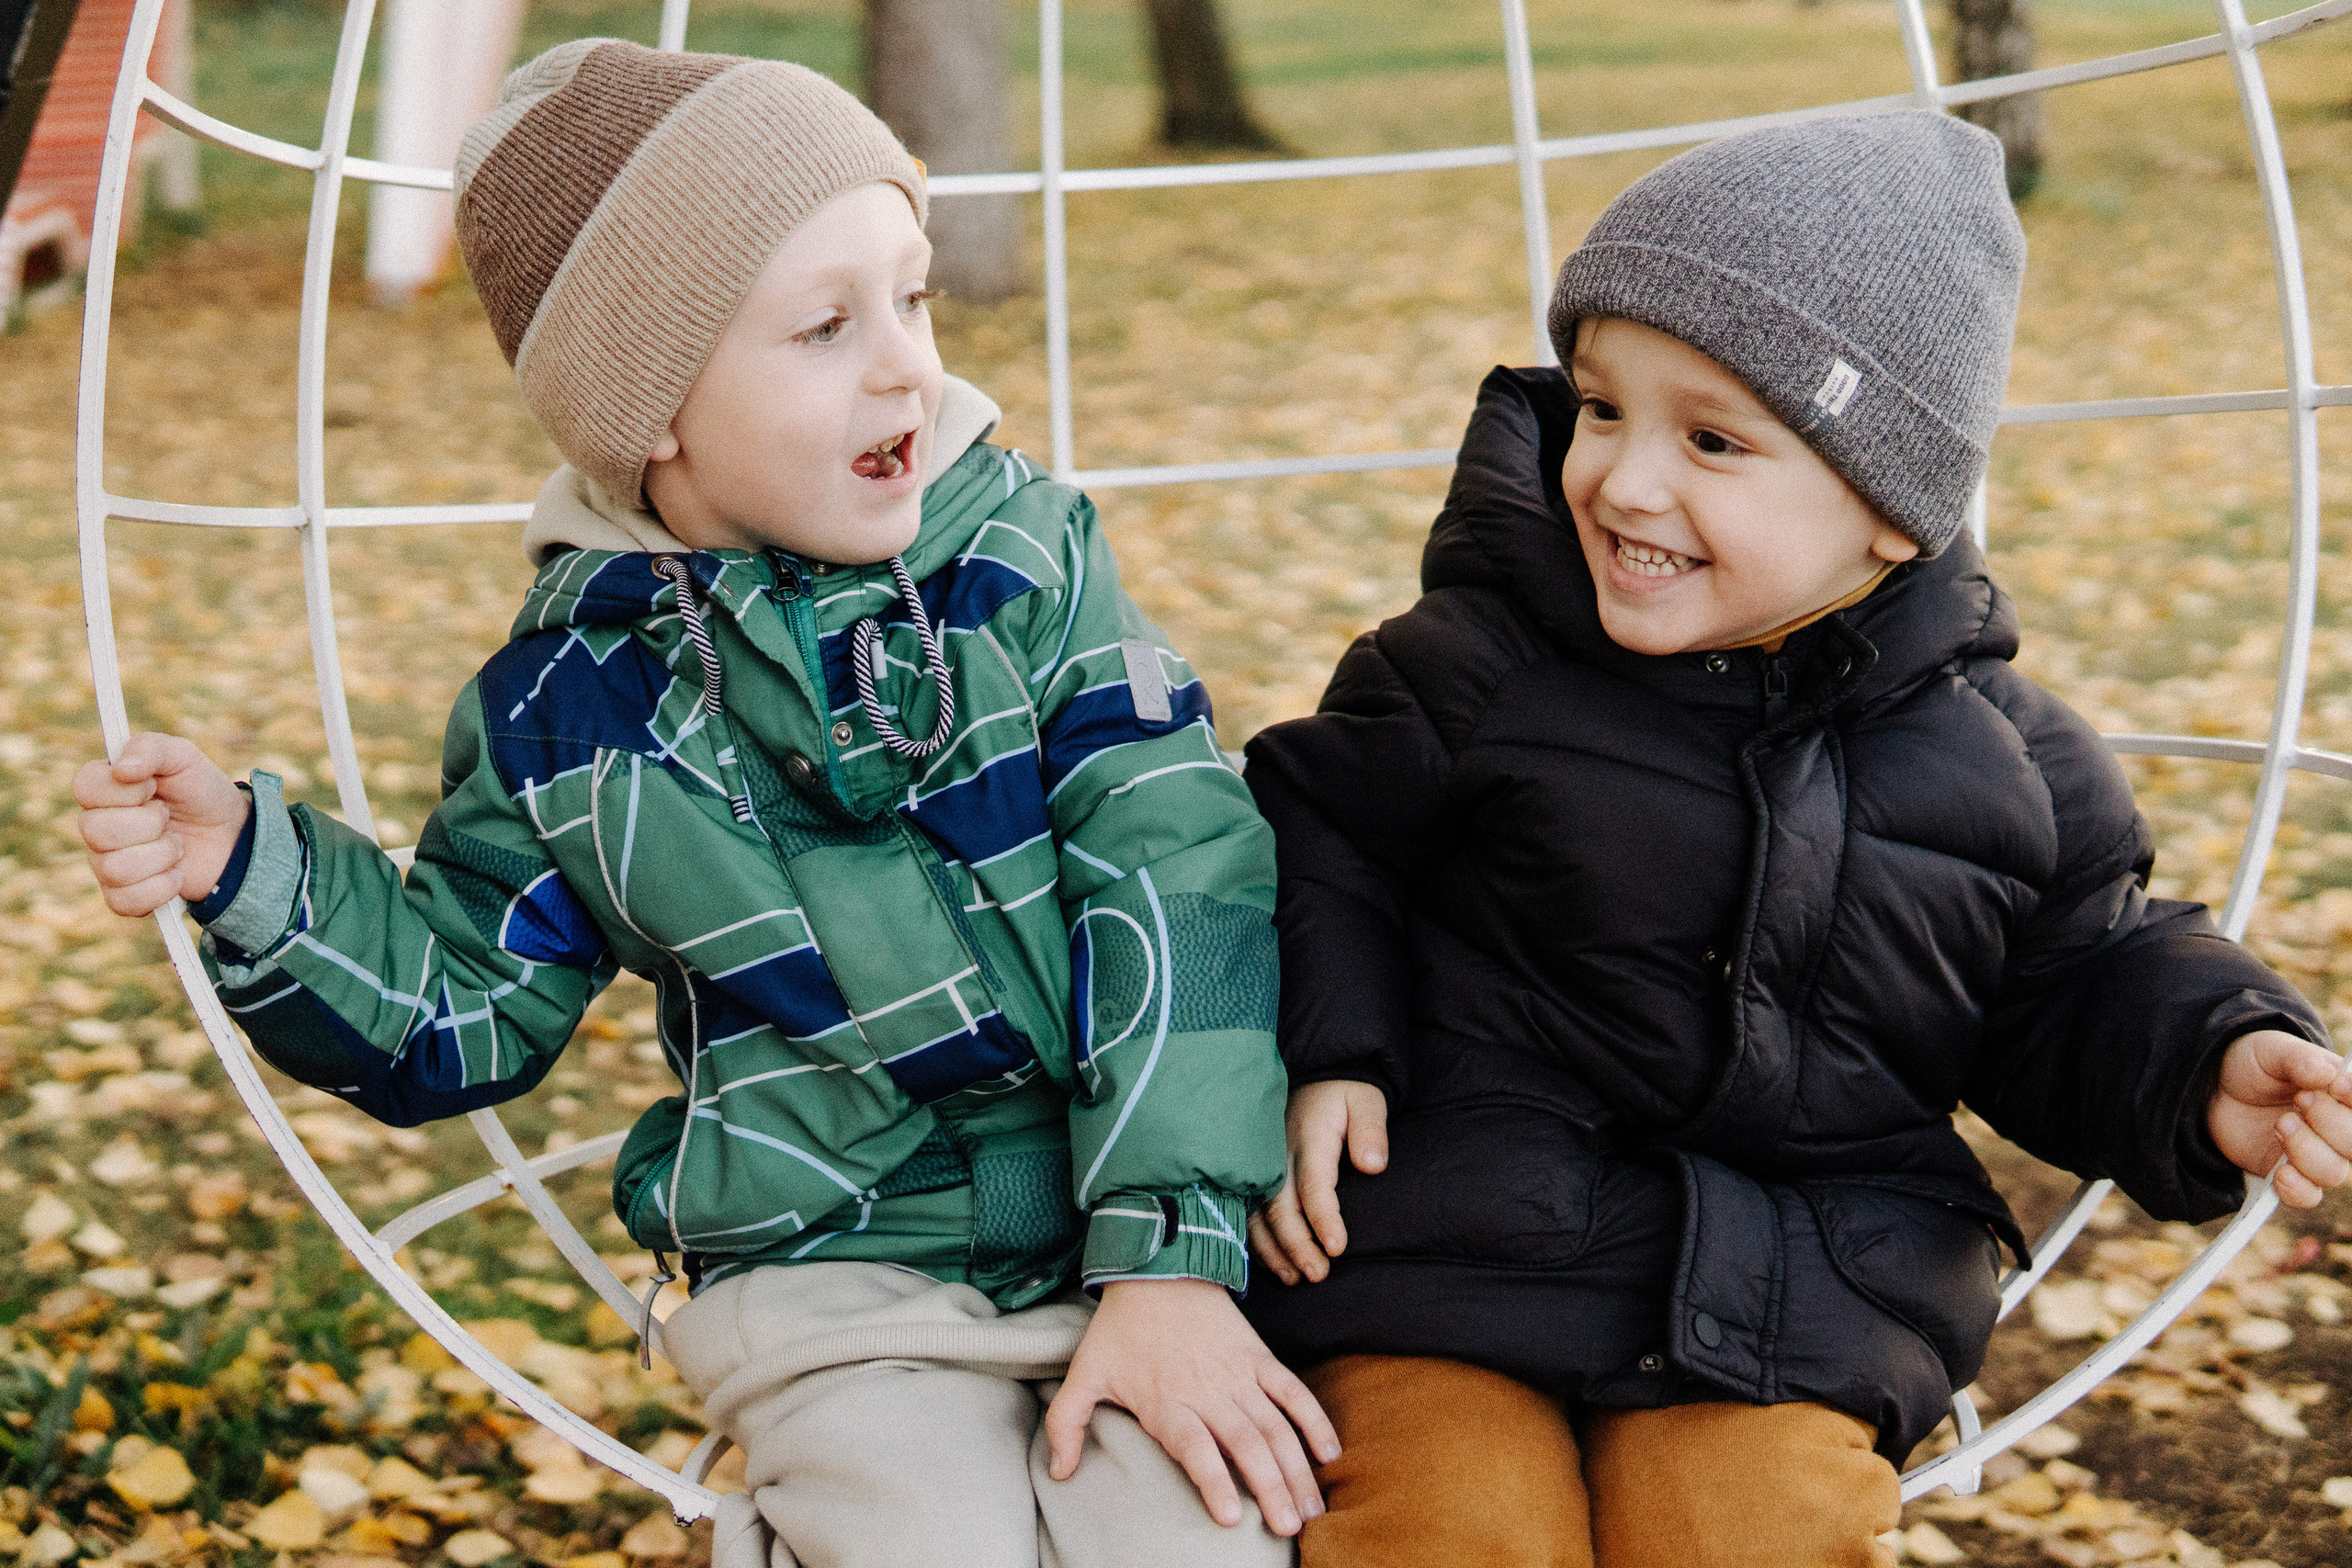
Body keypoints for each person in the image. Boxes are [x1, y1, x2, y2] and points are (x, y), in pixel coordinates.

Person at [74, 39, 1330, 1568]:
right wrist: (255, 873)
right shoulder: (568, 716)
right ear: (651, 405)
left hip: (1125, 1216)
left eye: (912, 296)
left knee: (1194, 1537)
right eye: (825, 325)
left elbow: (1177, 869)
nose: (907, 366)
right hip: (833, 1268)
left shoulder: (1025, 569)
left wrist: (1174, 1261)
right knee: (922, 1537)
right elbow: (457, 1012)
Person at [1238, 111, 2352, 1568]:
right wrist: (1338, 1050)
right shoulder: (1475, 669)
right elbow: (1319, 844)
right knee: (1454, 1530)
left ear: (1893, 511)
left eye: (1711, 438)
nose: (1627, 480)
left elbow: (2074, 971)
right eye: (1601, 406)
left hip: (1802, 1282)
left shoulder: (2004, 762)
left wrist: (2200, 1057)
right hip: (1448, 1245)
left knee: (1748, 1536)